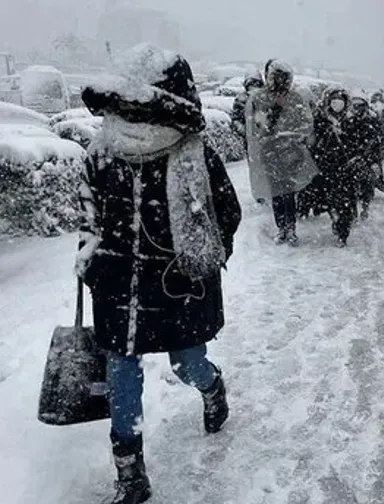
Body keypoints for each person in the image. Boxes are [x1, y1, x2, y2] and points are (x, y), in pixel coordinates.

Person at [76, 43, 241, 504]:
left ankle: (211, 387)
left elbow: (226, 213)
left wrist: (200, 255)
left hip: (178, 285)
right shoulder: (101, 153)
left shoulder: (193, 155)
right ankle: (130, 474)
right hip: (117, 286)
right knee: (122, 377)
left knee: (187, 363)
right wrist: (90, 258)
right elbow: (88, 215)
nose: (136, 117)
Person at [245, 59, 317, 245]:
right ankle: (282, 228)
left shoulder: (295, 98)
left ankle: (289, 229)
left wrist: (293, 137)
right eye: (276, 78)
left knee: (288, 192)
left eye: (282, 78)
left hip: (291, 153)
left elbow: (306, 124)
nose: (279, 83)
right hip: (270, 153)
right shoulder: (260, 99)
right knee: (277, 192)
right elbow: (255, 126)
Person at [310, 87, 356, 246]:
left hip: (346, 168)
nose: (337, 102)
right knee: (329, 200)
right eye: (334, 99)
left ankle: (343, 232)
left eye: (340, 99)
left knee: (345, 202)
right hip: (326, 167)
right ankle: (334, 218)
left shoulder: (351, 120)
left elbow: (356, 142)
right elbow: (313, 142)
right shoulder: (320, 119)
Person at [343, 91, 384, 220]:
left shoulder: (371, 121)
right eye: (354, 106)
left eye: (359, 106)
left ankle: (365, 208)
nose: (357, 109)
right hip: (351, 159)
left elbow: (376, 143)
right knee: (350, 188)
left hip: (367, 159)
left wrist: (372, 161)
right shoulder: (347, 122)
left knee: (367, 185)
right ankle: (353, 211)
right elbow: (343, 140)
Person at [231, 70, 265, 150]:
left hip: (266, 139)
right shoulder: (241, 100)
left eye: (256, 84)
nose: (254, 88)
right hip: (250, 141)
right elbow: (236, 120)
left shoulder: (266, 99)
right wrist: (245, 131)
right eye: (251, 85)